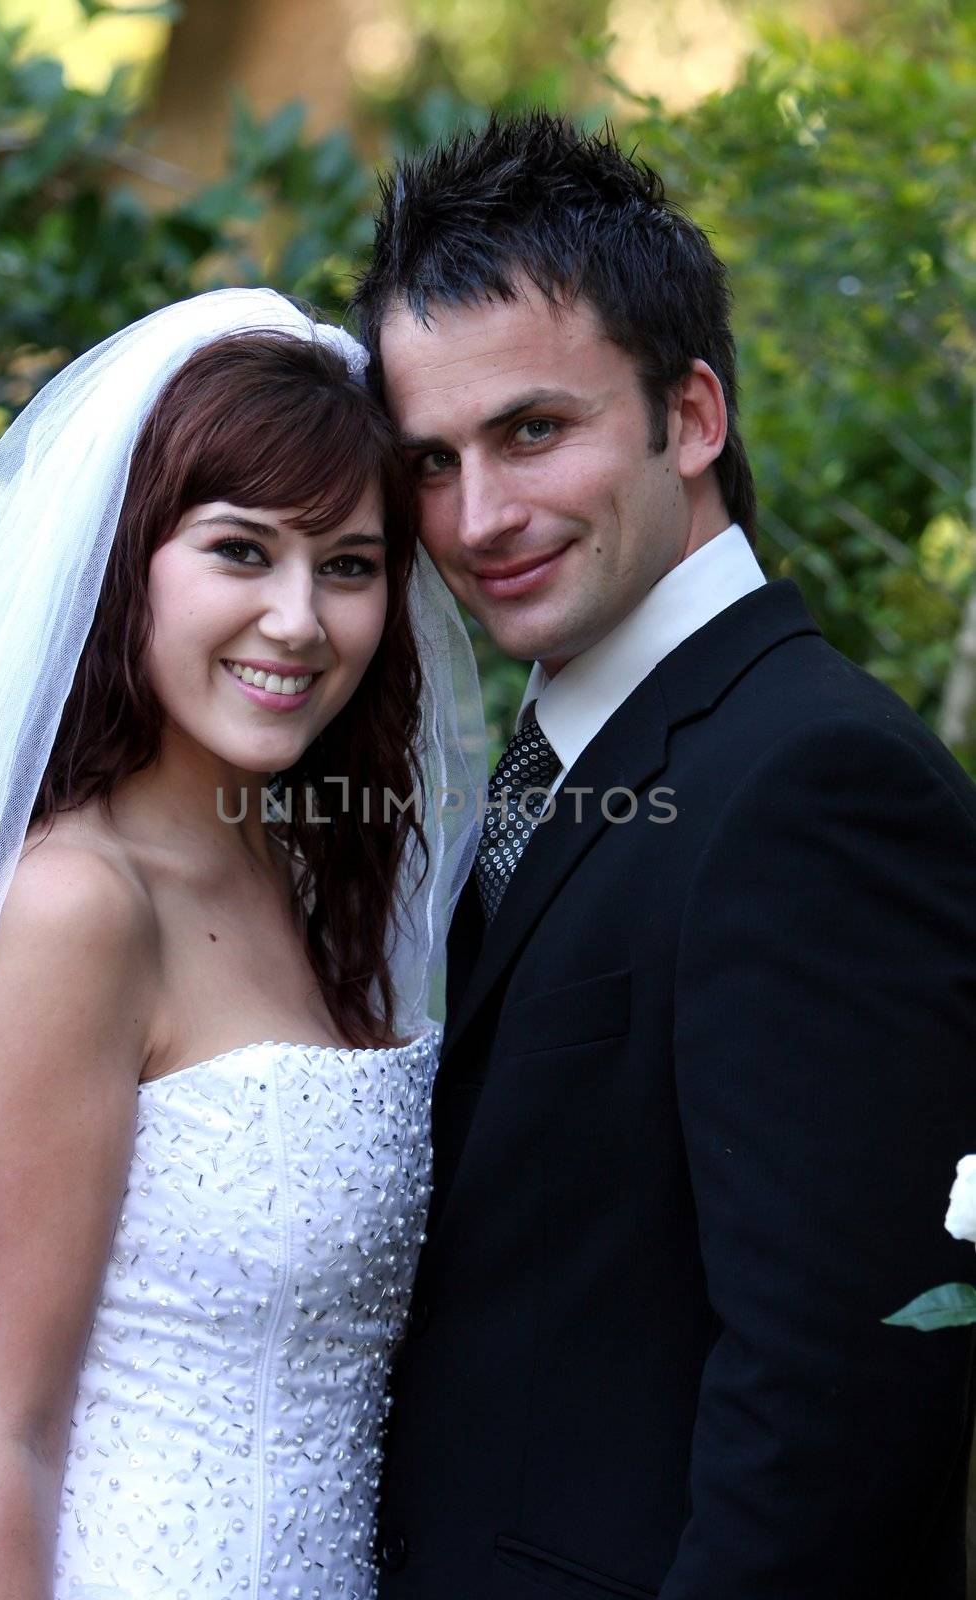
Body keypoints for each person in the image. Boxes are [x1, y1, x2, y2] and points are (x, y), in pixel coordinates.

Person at [351, 112, 976, 1598]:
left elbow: (834, 1402)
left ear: (689, 417)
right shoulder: (573, 746)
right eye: (431, 460)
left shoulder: (819, 783)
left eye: (532, 431)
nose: (477, 518)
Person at [0, 289, 484, 1600]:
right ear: (134, 560)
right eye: (242, 551)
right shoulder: (78, 907)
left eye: (347, 566)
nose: (299, 619)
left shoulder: (308, 874)